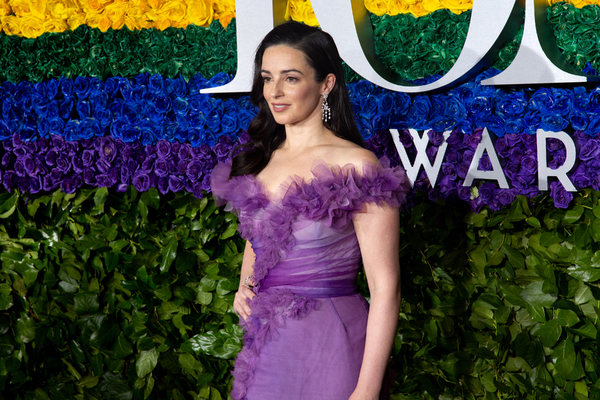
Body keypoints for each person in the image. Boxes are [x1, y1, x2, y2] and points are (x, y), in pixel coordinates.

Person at [210, 21, 410, 400]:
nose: (275, 92)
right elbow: (260, 239)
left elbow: (386, 289)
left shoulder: (356, 165)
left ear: (326, 84)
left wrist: (366, 390)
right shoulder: (262, 160)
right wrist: (244, 285)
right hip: (268, 348)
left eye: (290, 78)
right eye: (268, 78)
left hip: (331, 343)